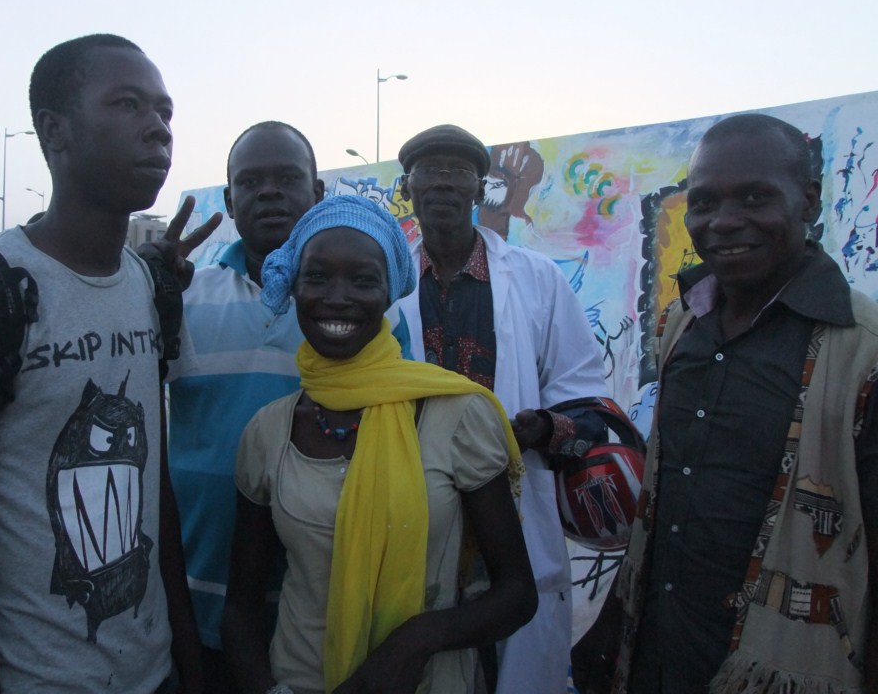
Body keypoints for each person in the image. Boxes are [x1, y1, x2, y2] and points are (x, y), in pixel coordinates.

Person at [0, 34, 216, 694]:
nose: (158, 129)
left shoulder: (150, 287)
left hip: (152, 674)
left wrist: (186, 665)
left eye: (166, 112)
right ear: (55, 130)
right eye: (128, 105)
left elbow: (154, 498)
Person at [575, 114, 878, 693]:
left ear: (808, 201)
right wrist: (611, 615)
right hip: (659, 656)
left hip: (788, 665)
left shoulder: (862, 354)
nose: (723, 222)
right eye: (704, 201)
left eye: (755, 197)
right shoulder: (681, 326)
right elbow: (665, 501)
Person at [221, 194, 537, 694]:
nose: (337, 296)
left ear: (389, 289)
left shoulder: (455, 413)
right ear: (295, 288)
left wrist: (411, 644)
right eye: (318, 277)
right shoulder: (267, 432)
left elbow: (517, 594)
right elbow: (240, 607)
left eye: (363, 279)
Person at [167, 121, 410, 691]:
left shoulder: (378, 314)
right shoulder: (184, 299)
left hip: (331, 607)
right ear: (229, 200)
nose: (269, 191)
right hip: (201, 596)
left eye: (286, 178)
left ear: (318, 193)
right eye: (251, 181)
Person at [393, 124, 610, 694]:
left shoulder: (535, 280)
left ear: (478, 187)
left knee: (508, 659)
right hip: (413, 506)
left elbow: (584, 391)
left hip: (510, 513)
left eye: (457, 171)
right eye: (428, 171)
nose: (442, 182)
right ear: (408, 186)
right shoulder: (387, 278)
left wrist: (545, 427)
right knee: (419, 657)